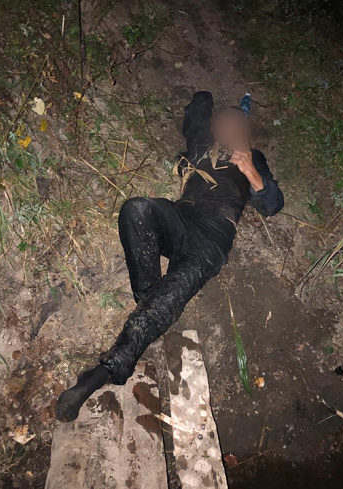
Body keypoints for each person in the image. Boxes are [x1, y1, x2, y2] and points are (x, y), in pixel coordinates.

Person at [55, 91, 284, 422]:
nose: (229, 127)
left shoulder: (254, 157)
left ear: (247, 133)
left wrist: (251, 171)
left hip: (213, 237)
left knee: (174, 290)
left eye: (237, 125)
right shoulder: (201, 146)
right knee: (137, 208)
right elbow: (196, 114)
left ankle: (103, 371)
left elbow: (272, 205)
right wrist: (208, 100)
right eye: (224, 122)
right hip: (182, 216)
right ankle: (151, 302)